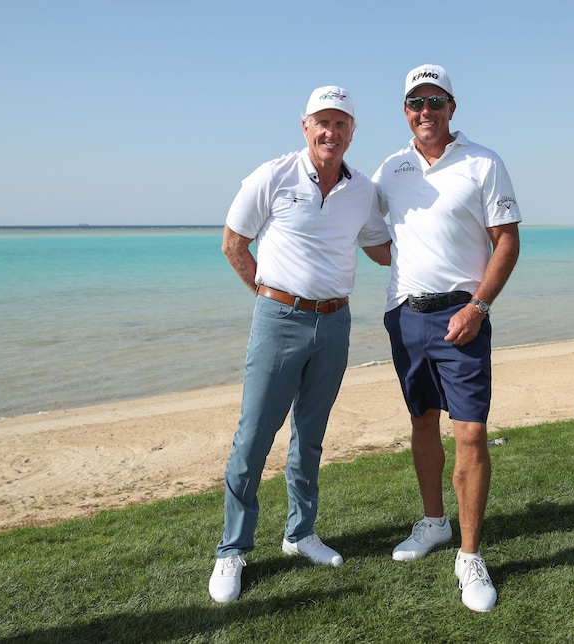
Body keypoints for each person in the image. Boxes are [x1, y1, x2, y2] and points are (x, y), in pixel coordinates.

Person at [209, 85, 392, 604]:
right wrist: (270, 298)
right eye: (322, 123)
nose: (330, 132)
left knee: (309, 436)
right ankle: (232, 550)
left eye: (341, 124)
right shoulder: (272, 175)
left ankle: (300, 534)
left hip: (335, 325)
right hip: (280, 320)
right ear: (305, 126)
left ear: (352, 132)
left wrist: (443, 235)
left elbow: (382, 250)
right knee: (253, 438)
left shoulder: (362, 190)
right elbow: (232, 244)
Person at [372, 64, 521, 613]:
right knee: (421, 422)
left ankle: (470, 554)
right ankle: (434, 522)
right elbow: (372, 237)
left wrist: (478, 305)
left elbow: (506, 241)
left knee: (473, 431)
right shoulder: (390, 169)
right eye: (416, 103)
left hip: (465, 315)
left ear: (452, 107)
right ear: (405, 111)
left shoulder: (484, 162)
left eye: (435, 101)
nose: (425, 111)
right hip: (406, 317)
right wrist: (408, 266)